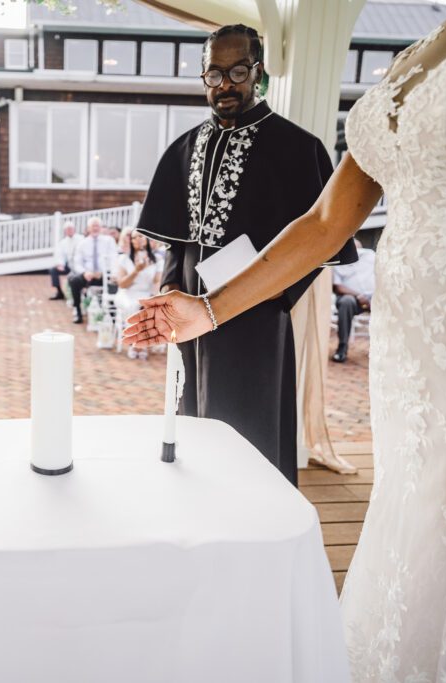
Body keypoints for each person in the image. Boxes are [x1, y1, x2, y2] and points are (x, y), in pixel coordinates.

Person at [125, 2, 446, 678]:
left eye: (238, 71)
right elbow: (326, 220)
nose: (223, 84)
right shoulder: (443, 33)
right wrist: (206, 310)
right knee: (414, 562)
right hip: (414, 380)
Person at [132, 24, 356, 485]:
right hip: (188, 319)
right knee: (193, 423)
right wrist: (171, 289)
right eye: (214, 74)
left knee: (249, 432)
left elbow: (317, 247)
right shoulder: (185, 147)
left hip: (257, 318)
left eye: (237, 71)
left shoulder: (299, 149)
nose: (225, 85)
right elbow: (178, 240)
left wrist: (270, 299)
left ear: (259, 72)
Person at [114, 231, 161, 360]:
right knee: (133, 305)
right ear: (131, 241)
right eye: (134, 237)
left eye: (141, 236)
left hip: (146, 293)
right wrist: (136, 270)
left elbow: (157, 282)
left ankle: (141, 344)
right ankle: (136, 344)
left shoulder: (157, 260)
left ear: (146, 239)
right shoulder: (123, 259)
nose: (138, 239)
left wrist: (154, 296)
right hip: (126, 293)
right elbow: (122, 284)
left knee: (146, 305)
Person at [331, 239, 375, 363]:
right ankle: (342, 347)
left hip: (374, 297)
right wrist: (359, 296)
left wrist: (373, 296)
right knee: (346, 302)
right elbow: (338, 287)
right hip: (353, 300)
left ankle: (382, 348)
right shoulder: (339, 263)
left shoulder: (370, 256)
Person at [67, 217, 117, 324]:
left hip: (104, 275)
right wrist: (85, 272)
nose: (95, 228)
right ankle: (77, 310)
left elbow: (113, 259)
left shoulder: (108, 241)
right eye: (92, 226)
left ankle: (112, 315)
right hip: (88, 275)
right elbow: (77, 262)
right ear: (88, 228)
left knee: (114, 282)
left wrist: (106, 272)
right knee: (74, 281)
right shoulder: (82, 243)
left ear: (100, 227)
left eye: (97, 226)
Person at [49, 222, 81, 300]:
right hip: (69, 265)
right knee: (53, 270)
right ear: (65, 231)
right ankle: (59, 292)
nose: (69, 231)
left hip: (80, 265)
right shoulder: (63, 242)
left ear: (74, 230)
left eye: (70, 229)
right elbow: (60, 255)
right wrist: (60, 264)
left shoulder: (81, 239)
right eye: (67, 230)